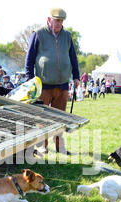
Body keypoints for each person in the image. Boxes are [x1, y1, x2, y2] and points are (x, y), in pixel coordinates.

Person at [25, 7, 80, 156]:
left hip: (62, 85)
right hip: (43, 84)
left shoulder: (67, 36)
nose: (59, 24)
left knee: (60, 118)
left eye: (61, 21)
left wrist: (76, 76)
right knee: (41, 118)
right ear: (49, 19)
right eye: (56, 20)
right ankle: (42, 146)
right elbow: (29, 58)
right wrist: (30, 80)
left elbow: (73, 57)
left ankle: (60, 147)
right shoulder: (38, 34)